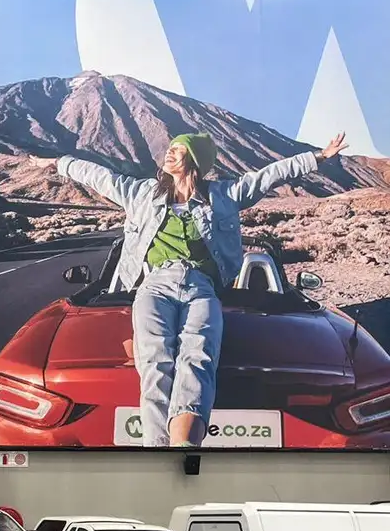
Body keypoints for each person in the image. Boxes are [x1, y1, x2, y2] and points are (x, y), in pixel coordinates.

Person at [30, 131, 348, 447]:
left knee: (198, 357)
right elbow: (98, 176)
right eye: (170, 148)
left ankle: (184, 448)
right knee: (155, 360)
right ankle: (157, 450)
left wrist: (317, 157)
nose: (169, 153)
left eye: (178, 149)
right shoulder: (142, 193)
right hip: (154, 286)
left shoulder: (223, 195)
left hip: (202, 287)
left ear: (195, 160)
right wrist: (59, 162)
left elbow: (268, 176)